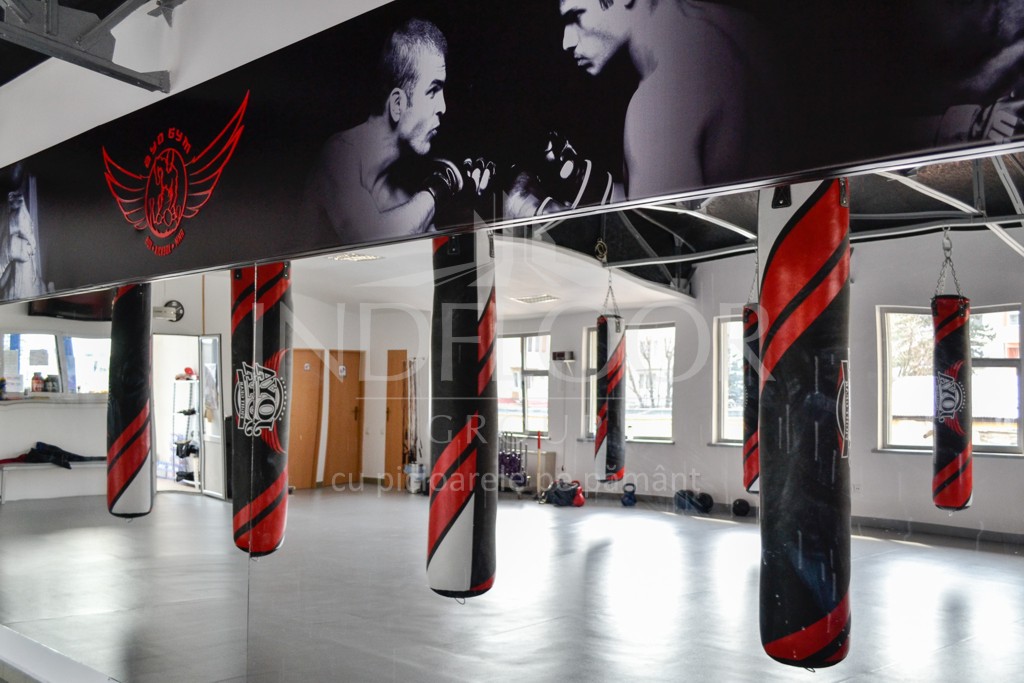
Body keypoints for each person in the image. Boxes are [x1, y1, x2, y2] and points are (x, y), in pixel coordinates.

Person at [307, 18, 493, 244]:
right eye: (432, 91)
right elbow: (372, 238)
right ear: (397, 104)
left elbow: (428, 249)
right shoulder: (338, 156)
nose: (443, 107)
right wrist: (442, 183)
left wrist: (469, 206)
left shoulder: (400, 193)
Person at [556, 0, 768, 199]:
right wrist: (584, 181)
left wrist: (549, 212)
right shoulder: (739, 27)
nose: (567, 42)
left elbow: (653, 226)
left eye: (576, 16)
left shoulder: (658, 103)